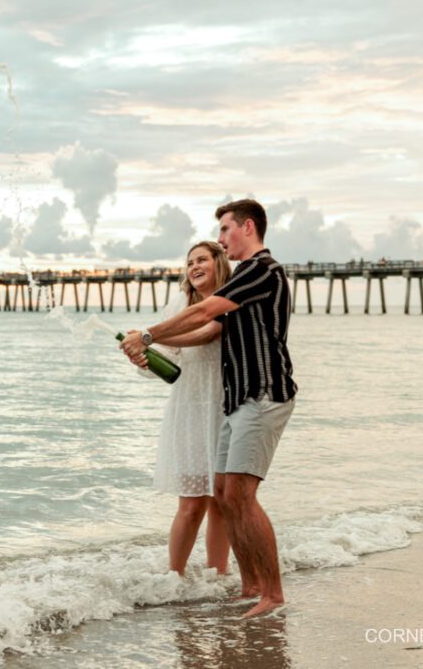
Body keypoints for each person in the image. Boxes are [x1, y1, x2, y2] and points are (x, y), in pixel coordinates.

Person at [122, 199, 297, 617]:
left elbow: (202, 312)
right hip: (237, 401)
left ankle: (271, 593)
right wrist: (153, 346)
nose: (221, 240)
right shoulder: (243, 280)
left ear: (247, 227)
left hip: (263, 393)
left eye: (224, 231)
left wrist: (147, 335)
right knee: (223, 492)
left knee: (238, 494)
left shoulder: (261, 270)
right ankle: (250, 584)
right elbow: (207, 331)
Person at [143, 241, 233, 578]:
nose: (194, 267)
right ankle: (173, 577)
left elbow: (208, 335)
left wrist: (148, 338)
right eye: (190, 262)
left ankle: (217, 577)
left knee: (222, 502)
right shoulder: (179, 303)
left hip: (226, 407)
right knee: (192, 502)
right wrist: (144, 357)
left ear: (218, 263)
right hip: (190, 408)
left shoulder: (230, 299)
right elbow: (168, 359)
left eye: (202, 260)